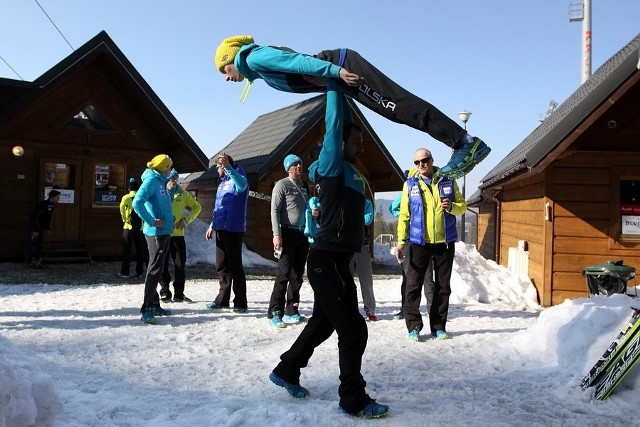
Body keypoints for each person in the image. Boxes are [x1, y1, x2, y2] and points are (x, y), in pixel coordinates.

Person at [268, 83, 389, 419]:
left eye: (362, 143)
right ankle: (353, 398)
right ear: (339, 144)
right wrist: (336, 85)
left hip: (338, 261)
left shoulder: (352, 172)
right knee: (353, 329)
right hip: (326, 260)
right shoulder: (331, 164)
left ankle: (287, 369)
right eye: (357, 141)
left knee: (323, 323)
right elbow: (335, 124)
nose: (361, 147)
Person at [213, 35, 491, 180]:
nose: (226, 78)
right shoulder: (258, 69)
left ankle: (465, 142)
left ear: (231, 58)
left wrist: (337, 71)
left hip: (344, 68)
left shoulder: (254, 58)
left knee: (398, 106)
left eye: (222, 70)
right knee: (392, 112)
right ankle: (461, 141)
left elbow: (299, 62)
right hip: (340, 77)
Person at [396, 148, 466, 342]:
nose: (421, 165)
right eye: (417, 162)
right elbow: (404, 215)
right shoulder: (410, 184)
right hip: (419, 242)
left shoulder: (448, 180)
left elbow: (462, 206)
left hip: (444, 242)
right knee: (413, 285)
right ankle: (414, 326)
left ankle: (438, 326)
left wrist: (452, 207)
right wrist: (401, 241)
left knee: (443, 287)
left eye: (424, 160)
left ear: (432, 160)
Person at [268, 154, 311, 329]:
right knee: (284, 273)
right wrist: (276, 234)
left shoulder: (305, 186)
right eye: (295, 164)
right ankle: (275, 312)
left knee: (297, 274)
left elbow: (308, 208)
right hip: (286, 232)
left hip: (302, 234)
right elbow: (274, 211)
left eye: (300, 163)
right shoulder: (281, 185)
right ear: (288, 168)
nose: (299, 166)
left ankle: (292, 309)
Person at [132, 154, 175, 325]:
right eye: (169, 167)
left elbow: (162, 204)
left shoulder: (161, 181)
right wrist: (152, 221)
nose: (171, 169)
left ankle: (155, 304)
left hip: (164, 231)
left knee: (158, 268)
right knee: (154, 269)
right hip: (156, 233)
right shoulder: (151, 181)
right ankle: (147, 308)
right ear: (164, 167)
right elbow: (137, 203)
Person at [205, 153, 249, 313]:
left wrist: (228, 167)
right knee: (221, 266)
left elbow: (242, 185)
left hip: (233, 229)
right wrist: (211, 224)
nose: (217, 169)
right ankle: (222, 300)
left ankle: (240, 302)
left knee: (235, 266)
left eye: (219, 166)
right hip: (221, 228)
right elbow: (219, 206)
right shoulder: (222, 183)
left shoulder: (239, 176)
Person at [389, 194, 434, 320]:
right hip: (409, 239)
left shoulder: (428, 192)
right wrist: (406, 217)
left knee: (428, 276)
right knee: (408, 276)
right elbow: (392, 207)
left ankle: (431, 310)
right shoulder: (407, 192)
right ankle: (405, 309)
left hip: (426, 239)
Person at [159, 169, 202, 303]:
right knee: (162, 264)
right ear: (167, 179)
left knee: (180, 264)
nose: (174, 182)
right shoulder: (161, 192)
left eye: (176, 179)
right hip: (163, 234)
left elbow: (197, 207)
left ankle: (179, 293)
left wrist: (185, 221)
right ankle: (165, 291)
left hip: (177, 235)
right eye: (172, 179)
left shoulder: (182, 194)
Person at [350, 200, 378, 321]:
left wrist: (350, 218)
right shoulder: (342, 199)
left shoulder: (366, 203)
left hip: (362, 244)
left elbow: (368, 219)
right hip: (345, 245)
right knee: (346, 279)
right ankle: (348, 307)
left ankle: (370, 308)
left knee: (366, 279)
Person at [25, 189, 61, 268]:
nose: (59, 199)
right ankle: (29, 262)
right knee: (32, 243)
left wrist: (47, 228)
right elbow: (36, 217)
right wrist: (36, 230)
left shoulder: (51, 206)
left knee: (39, 244)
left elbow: (48, 218)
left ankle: (37, 261)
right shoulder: (43, 204)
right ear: (53, 197)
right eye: (58, 197)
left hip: (41, 227)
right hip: (34, 226)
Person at [119, 178, 147, 278]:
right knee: (140, 250)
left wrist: (125, 219)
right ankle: (139, 272)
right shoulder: (141, 198)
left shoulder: (126, 198)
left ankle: (125, 272)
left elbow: (122, 209)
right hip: (140, 228)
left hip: (128, 227)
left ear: (129, 188)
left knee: (127, 250)